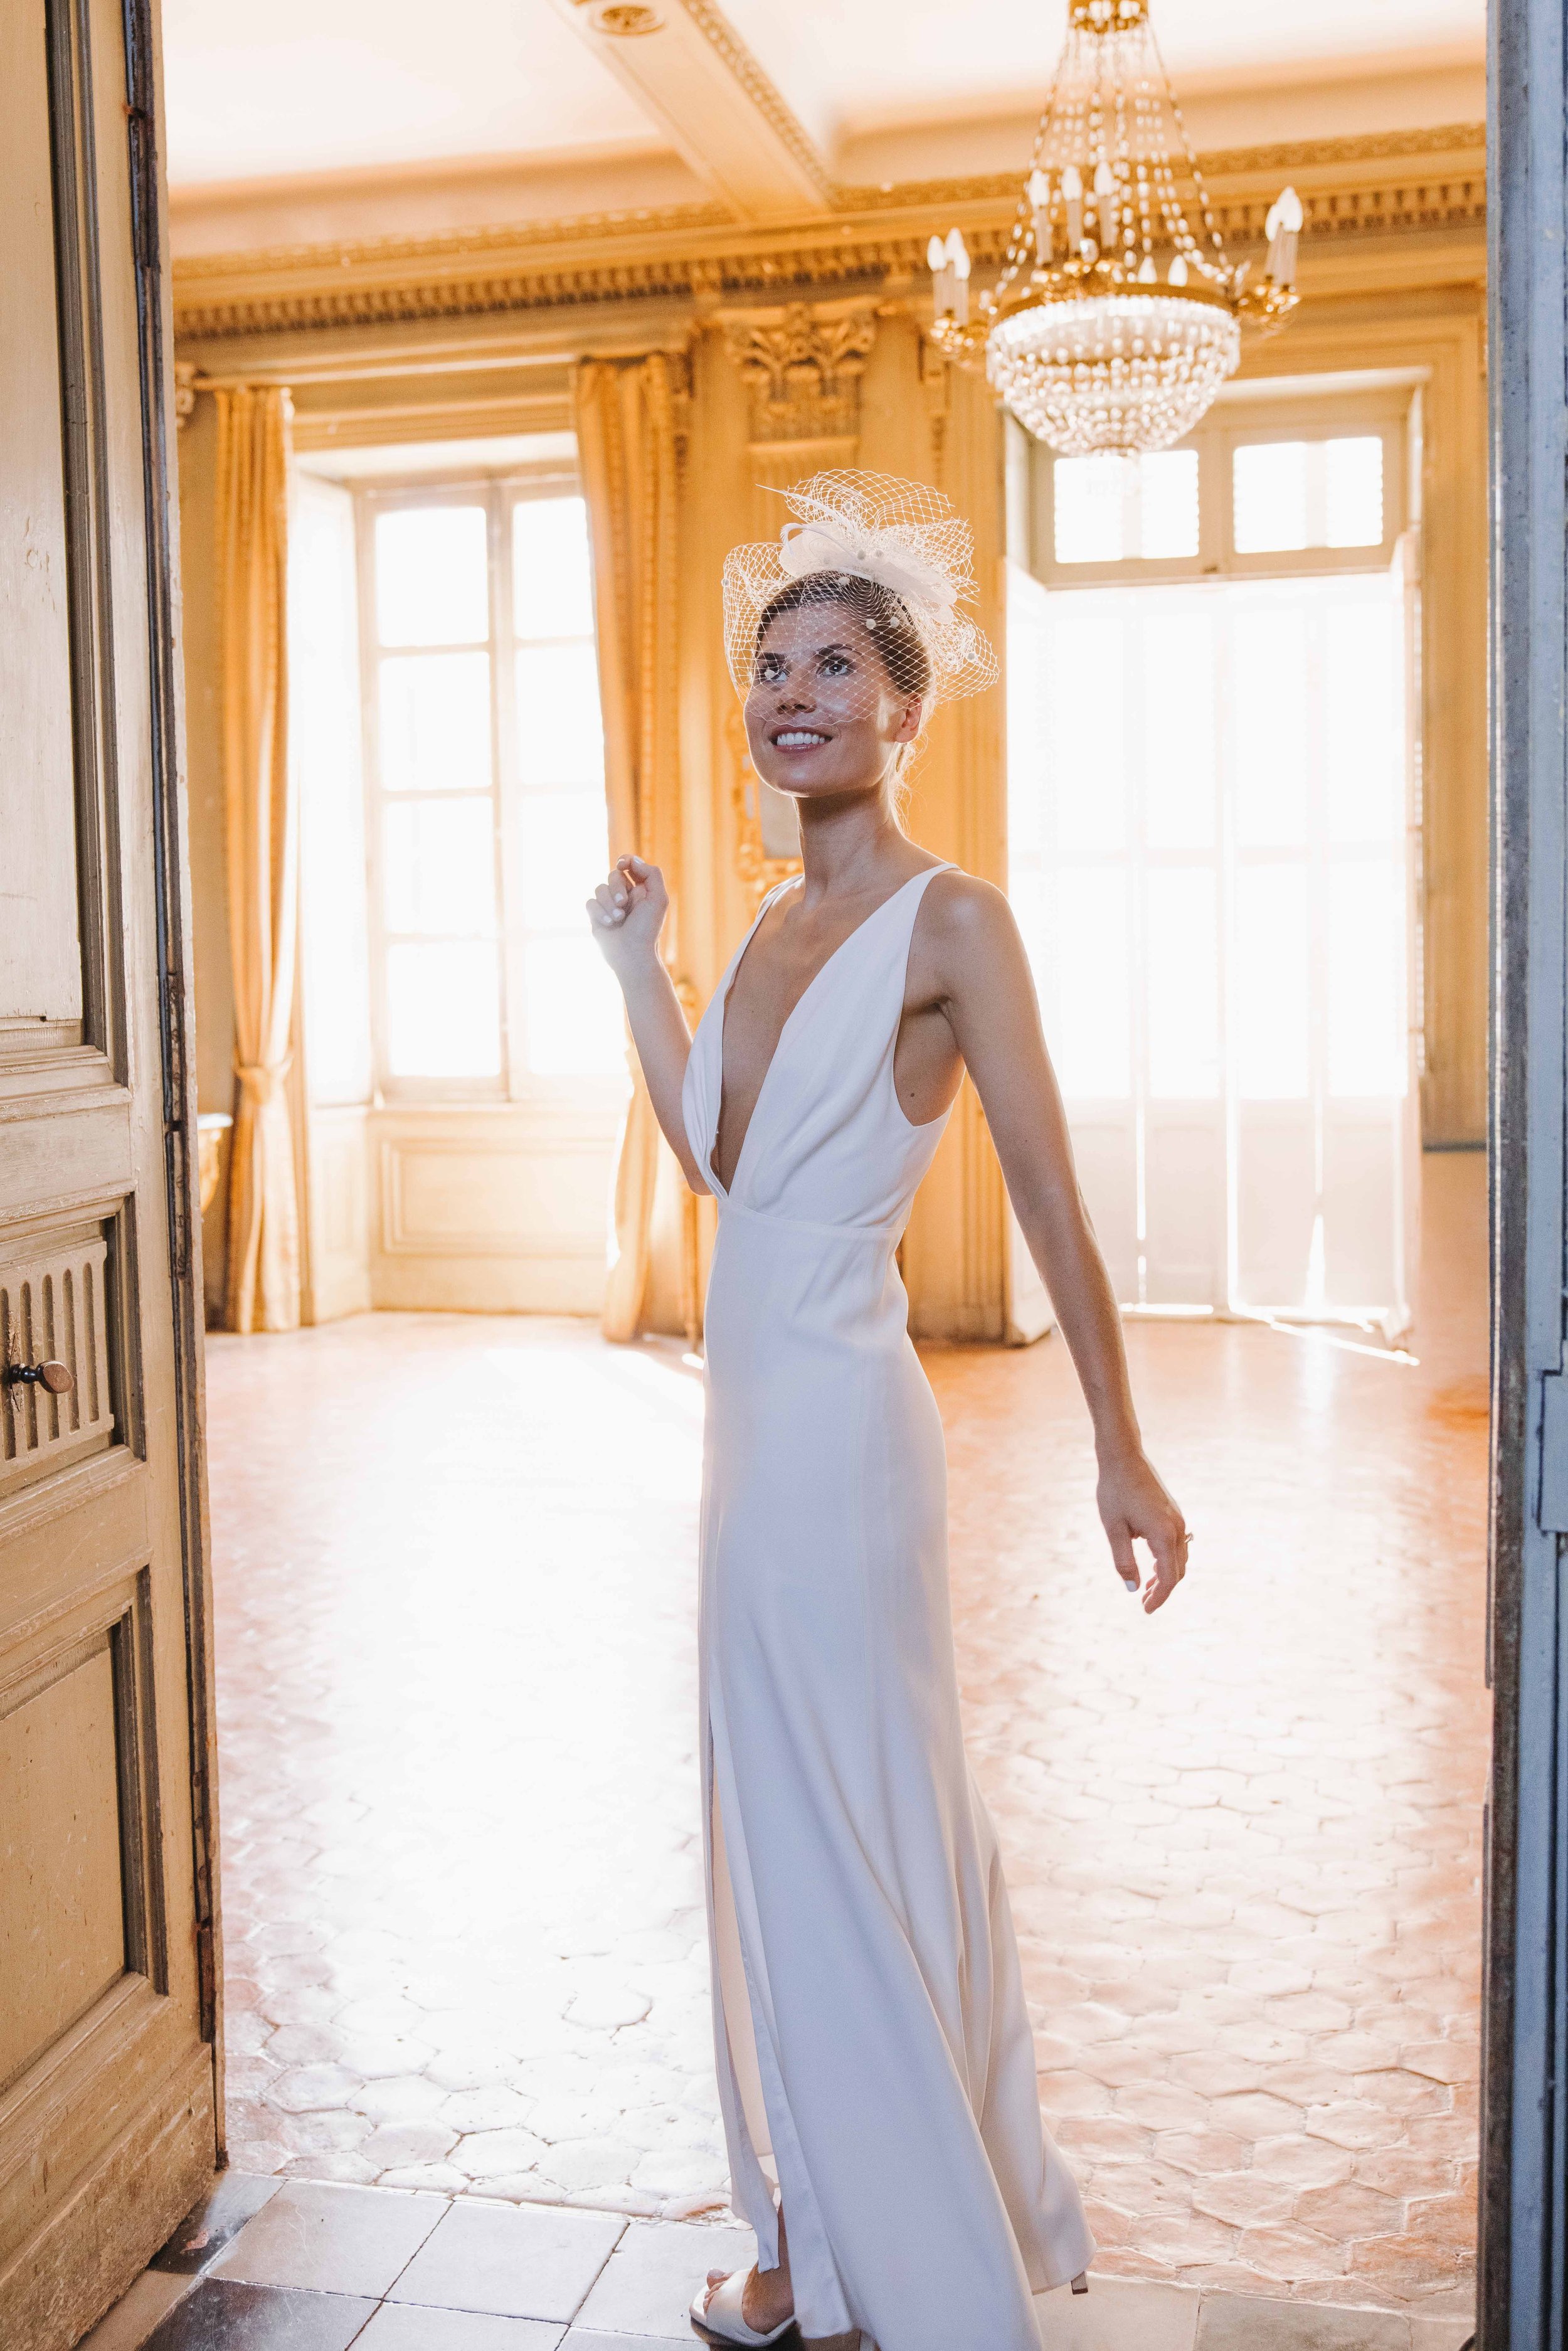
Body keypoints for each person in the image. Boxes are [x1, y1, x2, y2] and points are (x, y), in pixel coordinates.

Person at [587, 473, 1188, 2351]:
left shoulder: (956, 924)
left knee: (839, 1825)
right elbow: (716, 1163)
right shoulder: (762, 928)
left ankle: (867, 2271)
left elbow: (1048, 1191)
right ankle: (801, 2253)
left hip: (844, 1450)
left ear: (903, 709)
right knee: (780, 1827)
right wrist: (636, 961)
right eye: (771, 665)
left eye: (833, 664)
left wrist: (1116, 1439)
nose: (791, 693)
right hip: (745, 1444)